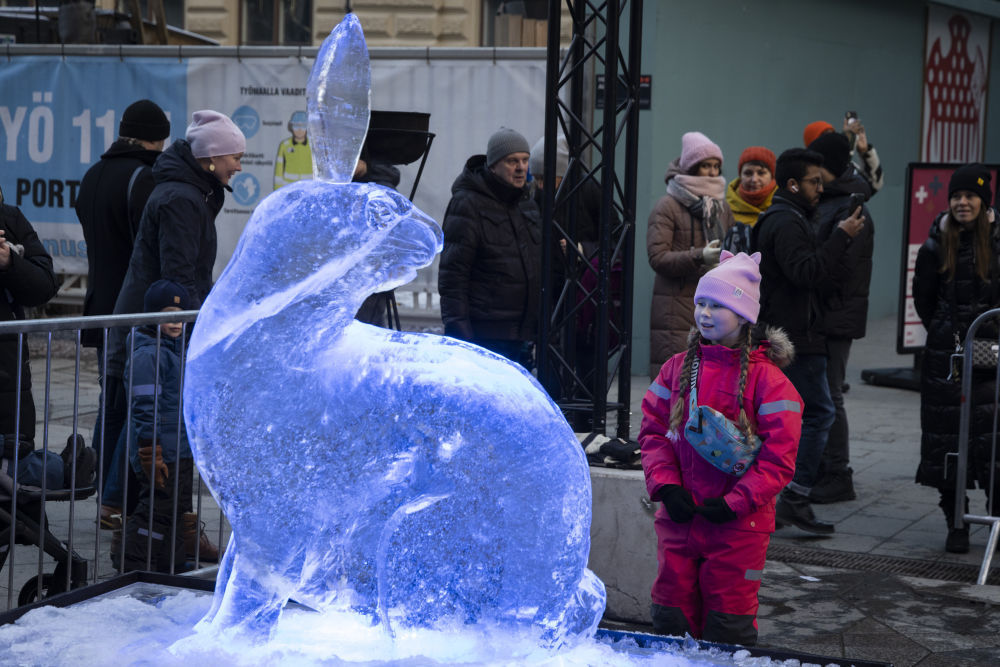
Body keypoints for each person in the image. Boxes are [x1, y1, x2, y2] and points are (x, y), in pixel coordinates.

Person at [639, 251, 802, 645]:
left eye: (717, 305)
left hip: (738, 526)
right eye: (700, 303)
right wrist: (666, 487)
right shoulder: (676, 368)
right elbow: (653, 432)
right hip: (680, 519)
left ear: (744, 314)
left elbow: (779, 460)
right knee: (669, 614)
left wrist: (736, 502)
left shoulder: (771, 382)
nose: (705, 313)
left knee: (727, 624)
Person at [102, 110, 242, 552]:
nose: (239, 165)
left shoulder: (192, 191)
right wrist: (187, 318)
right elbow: (180, 272)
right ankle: (161, 515)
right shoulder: (183, 198)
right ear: (211, 158)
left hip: (162, 313)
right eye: (235, 157)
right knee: (156, 413)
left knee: (147, 411)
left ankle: (125, 504)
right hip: (164, 317)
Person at [750, 148, 865, 535]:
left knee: (787, 417)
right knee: (819, 413)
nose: (821, 187)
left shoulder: (790, 217)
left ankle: (777, 497)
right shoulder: (786, 222)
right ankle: (795, 497)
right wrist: (840, 237)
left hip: (794, 332)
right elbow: (806, 272)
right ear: (794, 184)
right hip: (795, 337)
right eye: (815, 181)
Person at [74, 98, 170, 493]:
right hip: (132, 310)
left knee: (111, 397)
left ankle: (97, 482)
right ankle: (115, 492)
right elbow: (148, 250)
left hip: (100, 305)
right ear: (157, 140)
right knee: (134, 403)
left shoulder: (93, 174)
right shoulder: (144, 178)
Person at [913, 164, 1000, 554]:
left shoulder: (997, 242)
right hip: (946, 356)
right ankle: (956, 521)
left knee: (993, 441)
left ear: (984, 201)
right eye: (957, 197)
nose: (963, 203)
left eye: (970, 196)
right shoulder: (936, 243)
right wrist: (947, 334)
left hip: (993, 352)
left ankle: (996, 520)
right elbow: (925, 299)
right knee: (946, 440)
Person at [116, 280, 218, 572]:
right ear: (152, 316)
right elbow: (145, 407)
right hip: (161, 451)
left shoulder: (178, 351)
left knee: (175, 511)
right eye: (168, 314)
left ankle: (170, 564)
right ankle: (134, 563)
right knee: (156, 511)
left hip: (181, 449)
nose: (175, 321)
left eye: (180, 314)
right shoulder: (149, 354)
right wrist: (151, 450)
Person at [807, 132, 875, 504]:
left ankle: (838, 472)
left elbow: (837, 268)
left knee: (830, 394)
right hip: (826, 313)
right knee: (820, 394)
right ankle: (822, 467)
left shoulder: (849, 206)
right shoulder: (831, 201)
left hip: (834, 315)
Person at [438, 127, 541, 368]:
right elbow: (453, 274)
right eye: (512, 161)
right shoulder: (468, 203)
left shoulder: (526, 203)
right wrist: (460, 332)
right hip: (485, 334)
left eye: (525, 160)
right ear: (493, 165)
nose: (520, 167)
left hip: (522, 333)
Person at [647, 131, 734, 378]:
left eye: (716, 166)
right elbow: (657, 257)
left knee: (711, 385)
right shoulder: (668, 206)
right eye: (706, 165)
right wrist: (700, 256)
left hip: (715, 307)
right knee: (677, 385)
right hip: (675, 311)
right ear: (692, 166)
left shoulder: (722, 207)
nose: (712, 172)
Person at [0, 191, 60, 445]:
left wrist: (10, 262)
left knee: (12, 465)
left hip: (7, 377)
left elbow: (45, 285)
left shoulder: (10, 219)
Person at [803, 116, 883, 196]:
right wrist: (848, 141)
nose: (831, 137)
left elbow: (872, 186)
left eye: (832, 133)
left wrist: (865, 152)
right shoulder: (809, 174)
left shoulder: (848, 168)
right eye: (825, 135)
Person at [722, 146, 777, 255]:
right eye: (748, 173)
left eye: (761, 173)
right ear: (740, 176)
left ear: (772, 176)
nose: (754, 179)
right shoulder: (725, 210)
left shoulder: (781, 208)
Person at [273, 110, 312, 190]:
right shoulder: (285, 145)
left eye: (303, 126)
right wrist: (277, 191)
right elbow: (279, 171)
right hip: (289, 188)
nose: (299, 130)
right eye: (296, 125)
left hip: (308, 189)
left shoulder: (313, 146)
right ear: (291, 127)